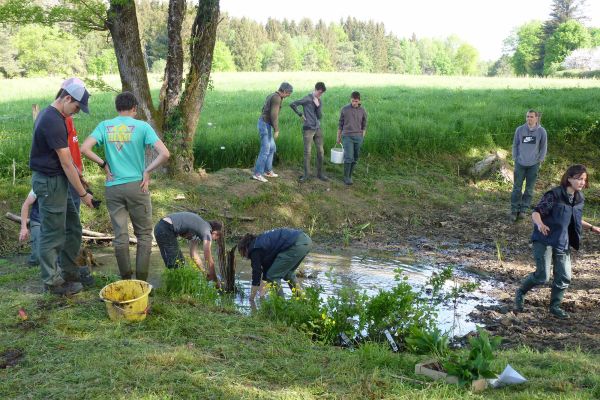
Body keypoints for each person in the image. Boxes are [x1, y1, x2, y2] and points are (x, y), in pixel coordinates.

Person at [81, 91, 170, 282]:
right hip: (137, 186)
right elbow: (164, 154)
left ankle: (125, 281)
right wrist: (147, 171)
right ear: (135, 109)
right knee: (144, 235)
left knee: (120, 237)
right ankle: (142, 282)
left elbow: (84, 148)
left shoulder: (105, 126)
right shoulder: (142, 127)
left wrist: (104, 164)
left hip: (113, 187)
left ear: (117, 108)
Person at [29, 79, 94, 296]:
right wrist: (83, 194)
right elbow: (65, 162)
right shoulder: (52, 120)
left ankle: (68, 271)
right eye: (76, 107)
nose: (75, 112)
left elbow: (67, 159)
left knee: (73, 227)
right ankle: (53, 282)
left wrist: (80, 177)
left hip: (58, 180)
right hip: (49, 182)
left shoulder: (58, 117)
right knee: (53, 232)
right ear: (67, 98)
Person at [514, 165, 599, 319]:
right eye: (579, 179)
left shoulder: (579, 198)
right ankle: (520, 293)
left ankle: (555, 307)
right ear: (569, 178)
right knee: (542, 276)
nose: (582, 182)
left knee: (564, 276)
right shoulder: (554, 195)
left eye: (584, 180)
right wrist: (540, 225)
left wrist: (593, 227)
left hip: (562, 241)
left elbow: (576, 218)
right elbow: (536, 212)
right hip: (544, 239)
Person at [237, 228, 312, 302]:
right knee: (288, 273)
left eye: (243, 254)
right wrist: (261, 294)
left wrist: (251, 298)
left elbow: (256, 274)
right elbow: (267, 270)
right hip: (305, 240)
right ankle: (302, 300)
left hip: (296, 244)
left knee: (273, 276)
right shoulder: (261, 243)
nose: (245, 257)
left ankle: (281, 304)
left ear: (245, 248)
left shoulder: (254, 249)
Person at [154, 212, 222, 282]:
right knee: (175, 265)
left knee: (180, 263)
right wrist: (215, 279)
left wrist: (204, 272)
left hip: (164, 228)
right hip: (166, 228)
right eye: (215, 239)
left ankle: (175, 288)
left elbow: (193, 254)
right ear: (215, 233)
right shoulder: (207, 230)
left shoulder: (200, 228)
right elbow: (207, 253)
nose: (214, 240)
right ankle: (174, 289)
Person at [252, 82, 294, 183]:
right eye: (288, 93)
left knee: (272, 148)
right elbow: (274, 115)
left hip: (266, 124)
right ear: (283, 91)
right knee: (265, 149)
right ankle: (257, 174)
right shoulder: (277, 98)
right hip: (265, 125)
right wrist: (276, 129)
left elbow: (264, 109)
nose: (289, 95)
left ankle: (268, 171)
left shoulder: (272, 95)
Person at [510, 109, 547, 222]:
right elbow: (515, 145)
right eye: (527, 116)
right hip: (520, 163)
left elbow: (543, 147)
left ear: (536, 118)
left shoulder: (541, 131)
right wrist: (515, 157)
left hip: (533, 164)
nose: (529, 119)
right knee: (517, 187)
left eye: (531, 117)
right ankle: (514, 209)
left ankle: (523, 210)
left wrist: (540, 160)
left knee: (529, 189)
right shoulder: (520, 130)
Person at [290, 82, 328, 182]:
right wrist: (300, 114)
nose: (320, 95)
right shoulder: (307, 98)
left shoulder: (319, 100)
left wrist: (318, 105)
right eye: (319, 93)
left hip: (318, 128)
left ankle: (320, 174)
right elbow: (292, 104)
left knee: (321, 151)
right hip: (308, 129)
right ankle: (306, 175)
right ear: (315, 89)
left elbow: (319, 116)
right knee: (308, 153)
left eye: (322, 93)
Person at [337, 91, 368, 185]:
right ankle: (346, 177)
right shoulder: (344, 109)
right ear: (350, 99)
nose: (354, 103)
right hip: (347, 136)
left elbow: (364, 125)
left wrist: (362, 137)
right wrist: (338, 137)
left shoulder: (363, 110)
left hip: (358, 137)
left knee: (355, 157)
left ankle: (350, 175)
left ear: (359, 101)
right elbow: (340, 124)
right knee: (348, 157)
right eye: (353, 101)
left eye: (356, 101)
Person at [19, 190, 41, 266]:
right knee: (37, 257)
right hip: (38, 221)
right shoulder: (38, 185)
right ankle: (32, 263)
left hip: (55, 224)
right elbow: (26, 205)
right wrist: (23, 228)